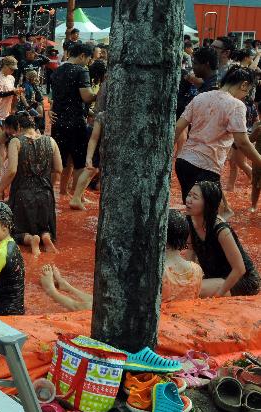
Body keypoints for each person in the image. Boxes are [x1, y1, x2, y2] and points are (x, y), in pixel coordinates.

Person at [40, 209, 203, 310]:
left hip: (145, 324)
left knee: (95, 307)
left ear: (159, 236)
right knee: (106, 301)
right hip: (171, 321)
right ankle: (66, 286)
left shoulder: (153, 272)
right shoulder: (196, 270)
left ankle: (51, 290)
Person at [174, 66, 261, 219]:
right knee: (210, 221)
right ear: (244, 85)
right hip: (206, 167)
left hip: (183, 163)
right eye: (247, 92)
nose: (245, 96)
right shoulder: (236, 105)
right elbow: (242, 142)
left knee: (198, 215)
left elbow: (178, 128)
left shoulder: (201, 97)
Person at [0, 112, 61, 257]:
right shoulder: (51, 141)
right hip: (46, 196)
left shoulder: (16, 142)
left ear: (19, 126)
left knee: (13, 231)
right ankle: (46, 237)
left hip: (23, 196)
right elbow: (58, 169)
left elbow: (11, 171)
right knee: (43, 227)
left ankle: (31, 240)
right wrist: (47, 186)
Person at [185, 181, 260, 297]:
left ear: (208, 204)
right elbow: (190, 250)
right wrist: (187, 276)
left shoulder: (221, 230)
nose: (188, 200)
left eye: (195, 197)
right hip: (216, 277)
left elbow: (239, 269)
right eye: (189, 195)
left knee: (190, 291)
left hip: (241, 280)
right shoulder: (190, 221)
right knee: (184, 286)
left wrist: (218, 295)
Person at [50, 42, 96, 196]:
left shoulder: (57, 70)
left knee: (62, 161)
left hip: (58, 122)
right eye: (89, 59)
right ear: (83, 56)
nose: (89, 63)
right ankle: (77, 196)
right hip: (76, 123)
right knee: (79, 163)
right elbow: (86, 96)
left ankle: (61, 191)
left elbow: (56, 98)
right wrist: (101, 93)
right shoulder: (81, 70)